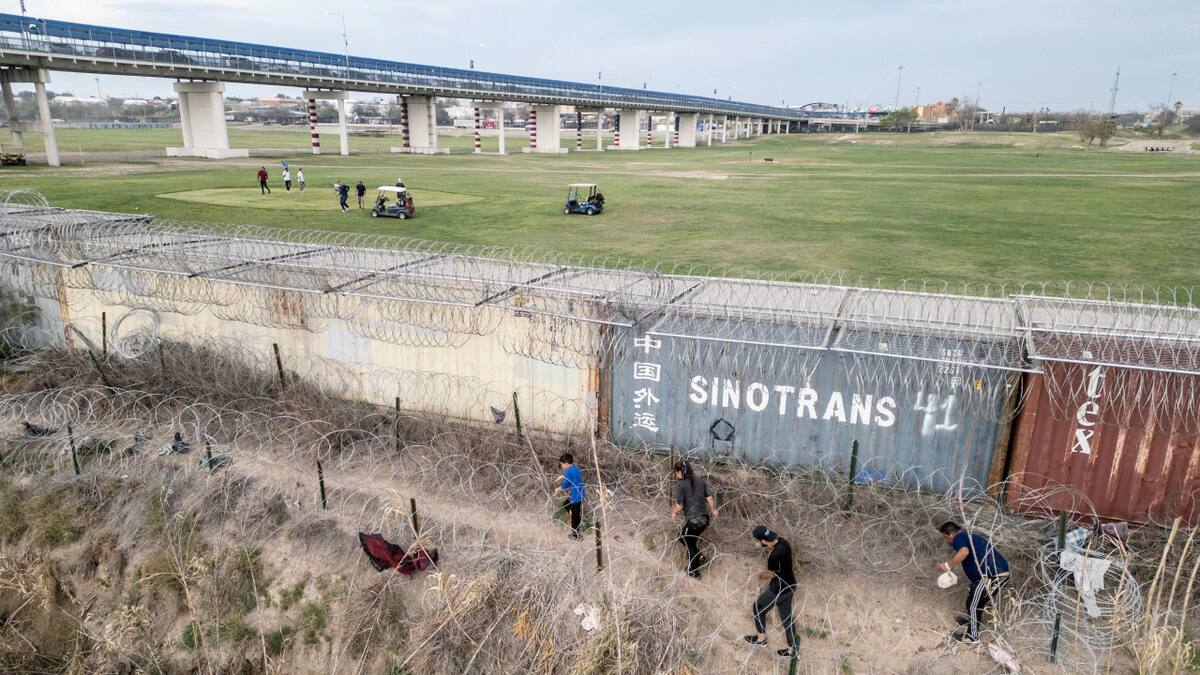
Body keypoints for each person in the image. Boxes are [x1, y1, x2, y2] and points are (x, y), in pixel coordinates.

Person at [936, 521, 1010, 644]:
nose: (947, 541)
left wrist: (947, 566)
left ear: (950, 534)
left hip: (991, 577)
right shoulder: (969, 537)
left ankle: (972, 637)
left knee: (973, 605)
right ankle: (972, 624)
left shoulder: (959, 537)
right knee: (973, 600)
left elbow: (964, 552)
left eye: (946, 537)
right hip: (994, 575)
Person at [744, 526, 797, 658]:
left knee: (758, 608)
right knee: (787, 618)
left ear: (763, 541)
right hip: (790, 586)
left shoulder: (774, 555)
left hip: (778, 590)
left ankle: (761, 639)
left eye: (760, 541)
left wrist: (759, 575)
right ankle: (793, 649)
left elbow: (770, 573)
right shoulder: (784, 542)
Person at [671, 459, 717, 578]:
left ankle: (695, 572)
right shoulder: (700, 481)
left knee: (685, 541)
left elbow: (680, 504)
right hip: (704, 519)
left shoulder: (681, 484)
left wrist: (674, 512)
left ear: (680, 472)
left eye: (675, 472)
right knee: (688, 540)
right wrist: (713, 510)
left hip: (694, 521)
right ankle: (700, 557)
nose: (675, 475)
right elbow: (709, 497)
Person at [554, 452, 585, 540]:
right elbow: (568, 476)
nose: (561, 466)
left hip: (575, 496)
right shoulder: (575, 468)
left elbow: (564, 485)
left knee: (575, 516)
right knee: (567, 505)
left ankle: (576, 535)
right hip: (579, 494)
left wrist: (557, 490)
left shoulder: (568, 471)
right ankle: (572, 514)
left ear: (566, 464)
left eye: (561, 464)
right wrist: (561, 477)